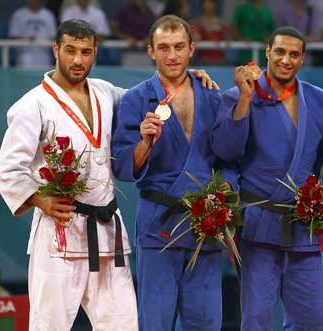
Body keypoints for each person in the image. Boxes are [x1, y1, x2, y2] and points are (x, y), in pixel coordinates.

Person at [0, 19, 138, 331]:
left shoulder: (105, 92)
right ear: (56, 49)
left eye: (86, 52)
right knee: (50, 325)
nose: (78, 60)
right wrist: (41, 200)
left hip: (106, 230)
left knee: (124, 324)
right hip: (59, 233)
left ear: (95, 53)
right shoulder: (33, 104)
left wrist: (187, 82)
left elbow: (144, 99)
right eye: (71, 50)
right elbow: (7, 168)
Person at [111, 15, 236, 331]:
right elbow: (123, 165)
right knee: (155, 320)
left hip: (204, 225)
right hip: (159, 222)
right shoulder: (136, 99)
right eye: (164, 48)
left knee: (206, 320)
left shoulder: (212, 96)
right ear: (151, 52)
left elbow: (228, 159)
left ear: (191, 49)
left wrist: (223, 204)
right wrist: (144, 143)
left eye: (179, 47)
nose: (172, 55)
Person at [211, 26, 323, 330]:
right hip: (258, 226)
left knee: (315, 319)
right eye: (280, 51)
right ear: (267, 51)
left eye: (294, 54)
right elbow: (225, 151)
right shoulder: (237, 96)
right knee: (256, 319)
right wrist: (245, 98)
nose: (286, 59)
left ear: (303, 59)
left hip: (303, 227)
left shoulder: (320, 101)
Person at [8, 0, 57, 67]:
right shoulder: (18, 14)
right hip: (24, 59)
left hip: (44, 59)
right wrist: (25, 39)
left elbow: (53, 37)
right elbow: (13, 37)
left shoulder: (48, 15)